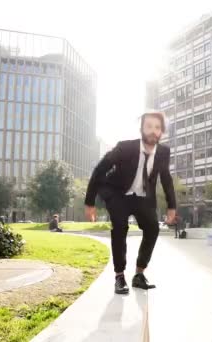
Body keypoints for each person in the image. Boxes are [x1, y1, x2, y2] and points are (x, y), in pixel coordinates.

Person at [85, 111, 176, 295]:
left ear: (162, 132)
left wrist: (172, 206)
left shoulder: (164, 152)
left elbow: (166, 178)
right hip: (118, 193)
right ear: (142, 128)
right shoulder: (125, 148)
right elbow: (100, 169)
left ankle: (139, 274)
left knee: (152, 227)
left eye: (157, 127)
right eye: (149, 126)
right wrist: (90, 202)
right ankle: (119, 276)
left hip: (142, 196)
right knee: (119, 226)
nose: (153, 131)